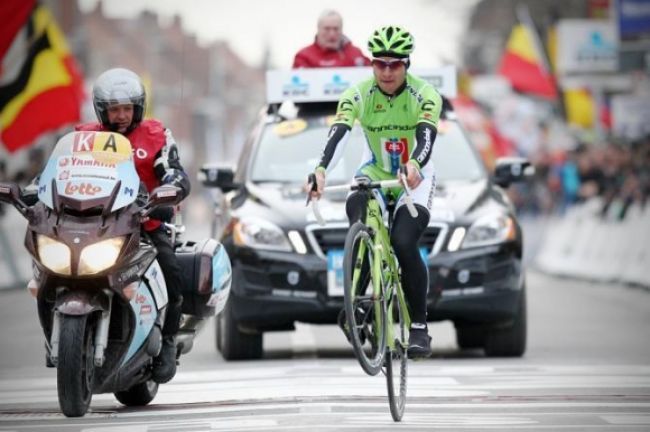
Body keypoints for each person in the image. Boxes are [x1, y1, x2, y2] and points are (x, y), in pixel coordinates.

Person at [308, 26, 442, 358]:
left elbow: (426, 137)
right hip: (375, 171)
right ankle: (357, 302)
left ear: (406, 65)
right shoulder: (359, 94)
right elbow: (338, 133)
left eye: (394, 65)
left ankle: (420, 327)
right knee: (358, 211)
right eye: (379, 63)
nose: (385, 71)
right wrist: (321, 169)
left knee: (403, 241)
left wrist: (414, 165)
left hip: (415, 175)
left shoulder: (425, 94)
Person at [76, 68, 191, 383]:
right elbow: (58, 170)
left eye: (128, 108)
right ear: (102, 110)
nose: (122, 115)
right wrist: (35, 191)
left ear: (138, 107)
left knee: (171, 272)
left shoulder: (156, 134)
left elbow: (172, 169)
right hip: (94, 226)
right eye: (115, 109)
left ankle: (167, 341)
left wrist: (172, 185)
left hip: (143, 223)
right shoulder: (85, 137)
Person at [293, 10, 370, 68]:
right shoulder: (304, 57)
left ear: (341, 29)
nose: (332, 34)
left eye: (336, 29)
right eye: (327, 29)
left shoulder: (356, 53)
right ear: (318, 29)